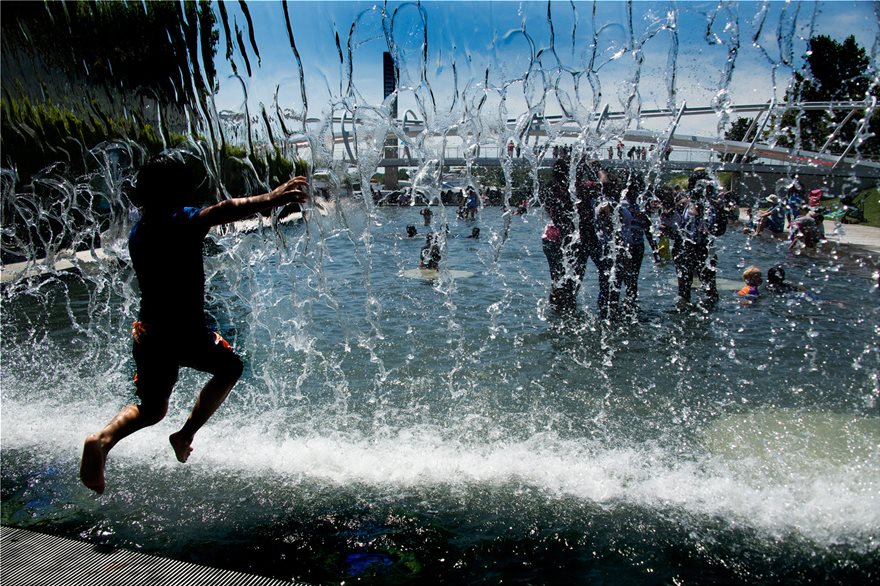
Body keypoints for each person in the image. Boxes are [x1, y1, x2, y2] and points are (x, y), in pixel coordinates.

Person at [79, 153, 313, 494]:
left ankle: (102, 439)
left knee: (151, 408)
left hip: (149, 332)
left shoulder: (140, 231)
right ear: (177, 191)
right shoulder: (179, 220)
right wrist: (272, 198)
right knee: (231, 367)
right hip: (184, 332)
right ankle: (185, 434)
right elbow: (223, 210)